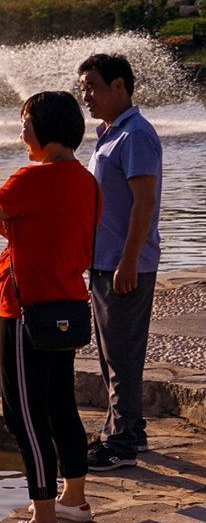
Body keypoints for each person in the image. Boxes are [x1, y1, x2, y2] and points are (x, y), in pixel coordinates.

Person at [0, 91, 101, 523]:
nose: (21, 133)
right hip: (67, 305)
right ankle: (73, 498)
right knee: (60, 405)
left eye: (25, 124)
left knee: (24, 416)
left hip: (24, 310)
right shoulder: (84, 179)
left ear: (46, 128)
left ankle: (43, 522)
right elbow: (36, 226)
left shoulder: (30, 178)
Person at [79, 53, 162, 470]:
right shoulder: (108, 134)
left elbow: (144, 202)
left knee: (123, 355)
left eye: (92, 86)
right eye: (83, 88)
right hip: (104, 261)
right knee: (113, 354)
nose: (86, 95)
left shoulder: (135, 135)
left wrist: (128, 262)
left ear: (119, 86)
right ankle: (129, 429)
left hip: (123, 265)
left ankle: (122, 444)